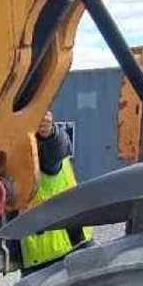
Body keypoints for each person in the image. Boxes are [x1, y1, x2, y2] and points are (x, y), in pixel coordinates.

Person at [18, 111, 92, 275]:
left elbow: (58, 148)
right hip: (38, 256)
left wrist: (49, 133)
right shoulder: (13, 148)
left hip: (67, 250)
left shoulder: (41, 146)